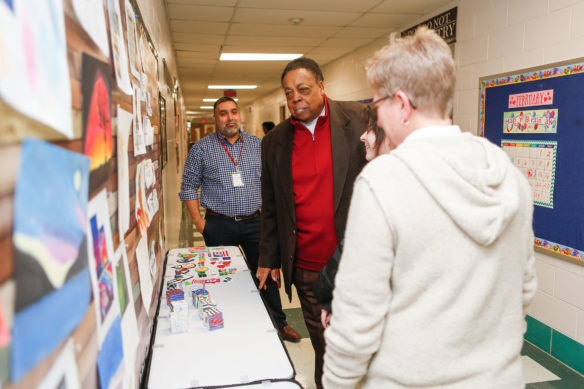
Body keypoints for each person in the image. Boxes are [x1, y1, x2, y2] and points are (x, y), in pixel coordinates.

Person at [322, 27, 538, 388]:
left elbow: (357, 316)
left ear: (401, 104)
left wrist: (336, 383)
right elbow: (524, 289)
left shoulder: (383, 181)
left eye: (378, 104)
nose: (376, 116)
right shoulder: (508, 173)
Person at [257, 57, 367, 389]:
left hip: (359, 262)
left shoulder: (361, 120)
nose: (296, 99)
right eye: (289, 93)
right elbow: (272, 206)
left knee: (364, 346)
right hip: (308, 268)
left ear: (321, 86)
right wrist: (267, 258)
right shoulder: (274, 142)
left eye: (303, 90)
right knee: (326, 346)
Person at [179, 96, 301, 342]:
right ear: (215, 119)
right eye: (223, 113)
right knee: (223, 277)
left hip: (257, 223)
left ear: (239, 115)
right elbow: (189, 187)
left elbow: (271, 184)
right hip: (219, 224)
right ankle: (229, 324)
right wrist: (200, 224)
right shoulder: (201, 149)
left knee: (266, 272)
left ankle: (279, 323)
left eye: (233, 112)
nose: (230, 117)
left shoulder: (258, 145)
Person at [313, 110, 389, 329]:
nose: (362, 136)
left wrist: (326, 295)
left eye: (371, 130)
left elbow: (356, 249)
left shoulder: (380, 184)